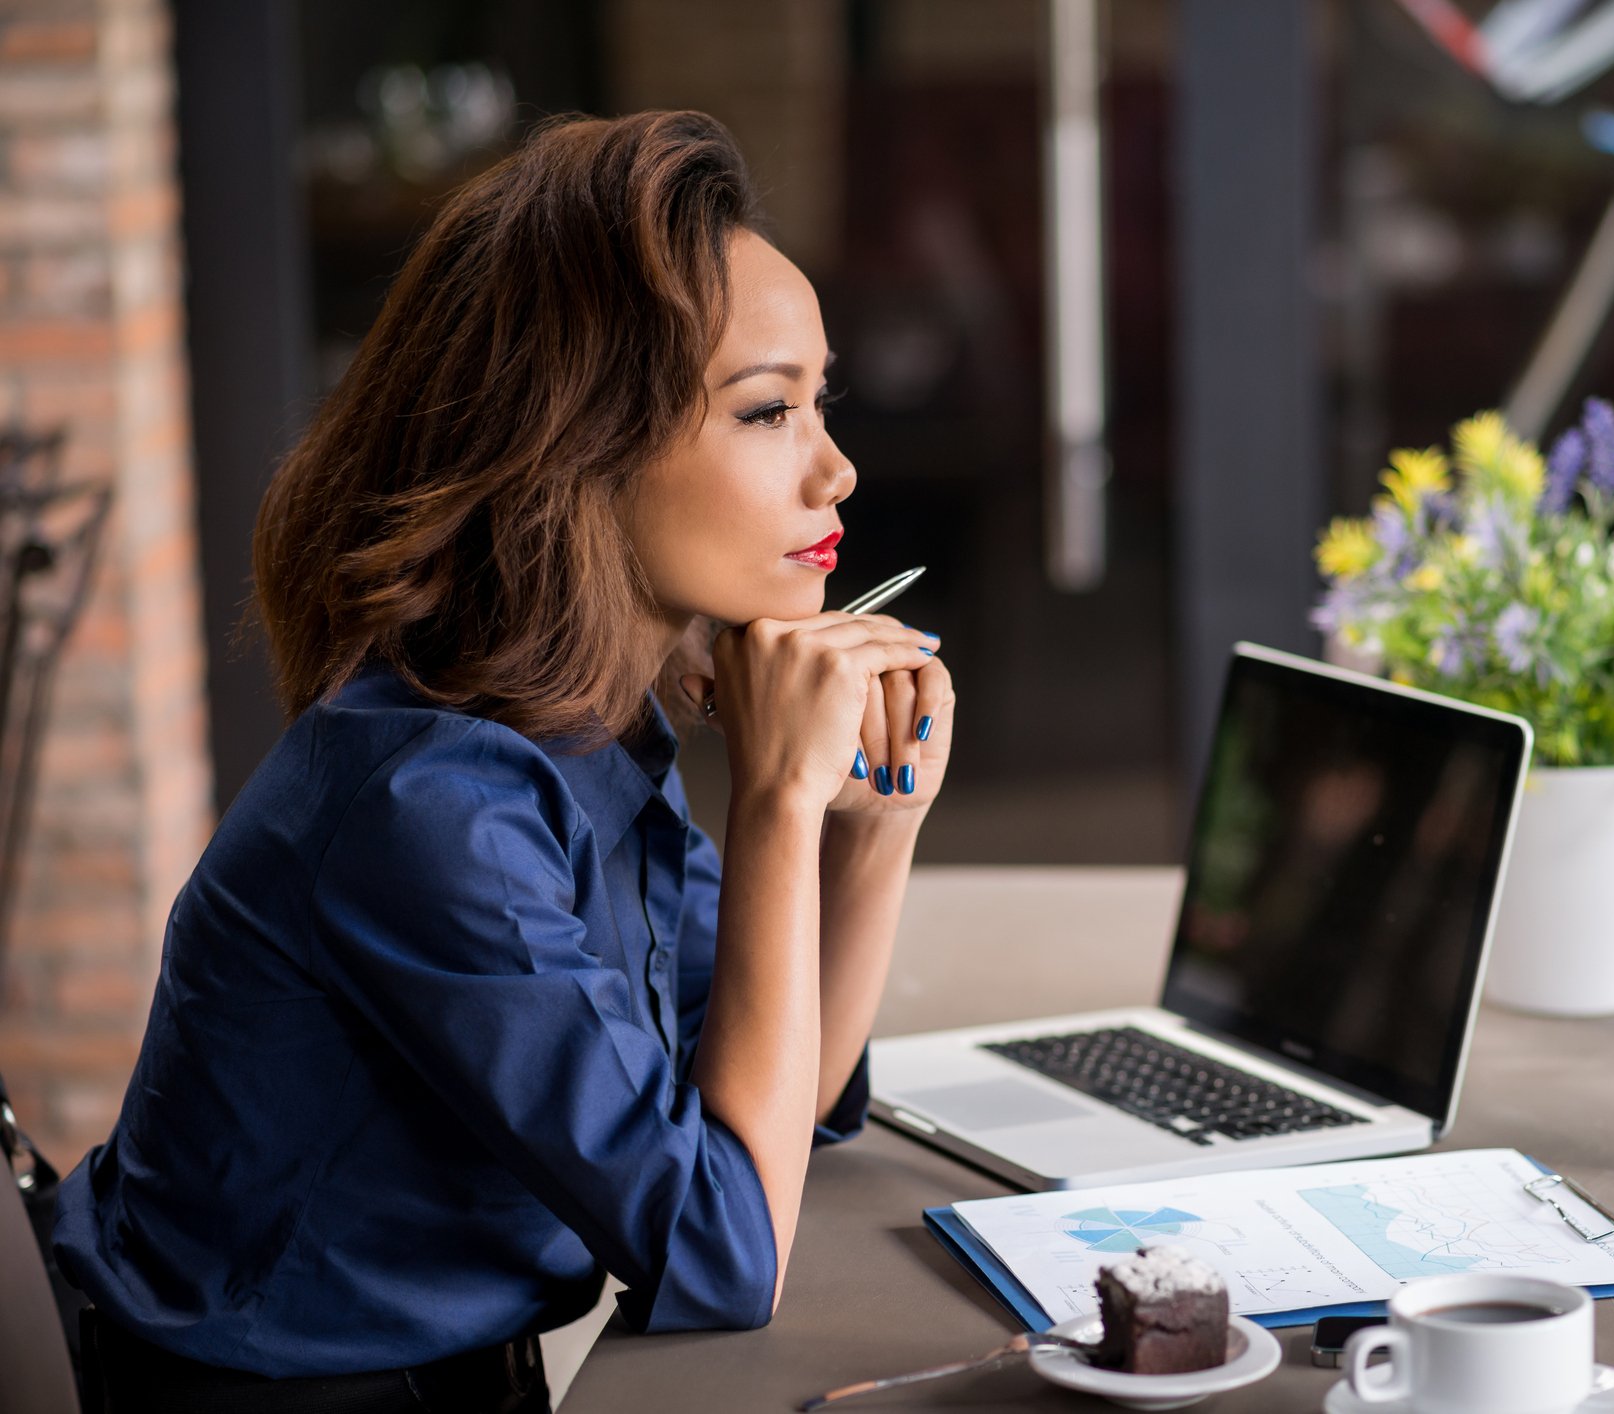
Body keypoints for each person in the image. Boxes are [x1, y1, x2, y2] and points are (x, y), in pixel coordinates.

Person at [51, 110, 951, 1412]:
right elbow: (725, 1242)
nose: (836, 467)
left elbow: (770, 1108)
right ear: (584, 444)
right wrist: (774, 797)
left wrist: (873, 826)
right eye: (768, 412)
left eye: (823, 402)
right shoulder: (429, 803)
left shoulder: (584, 728)